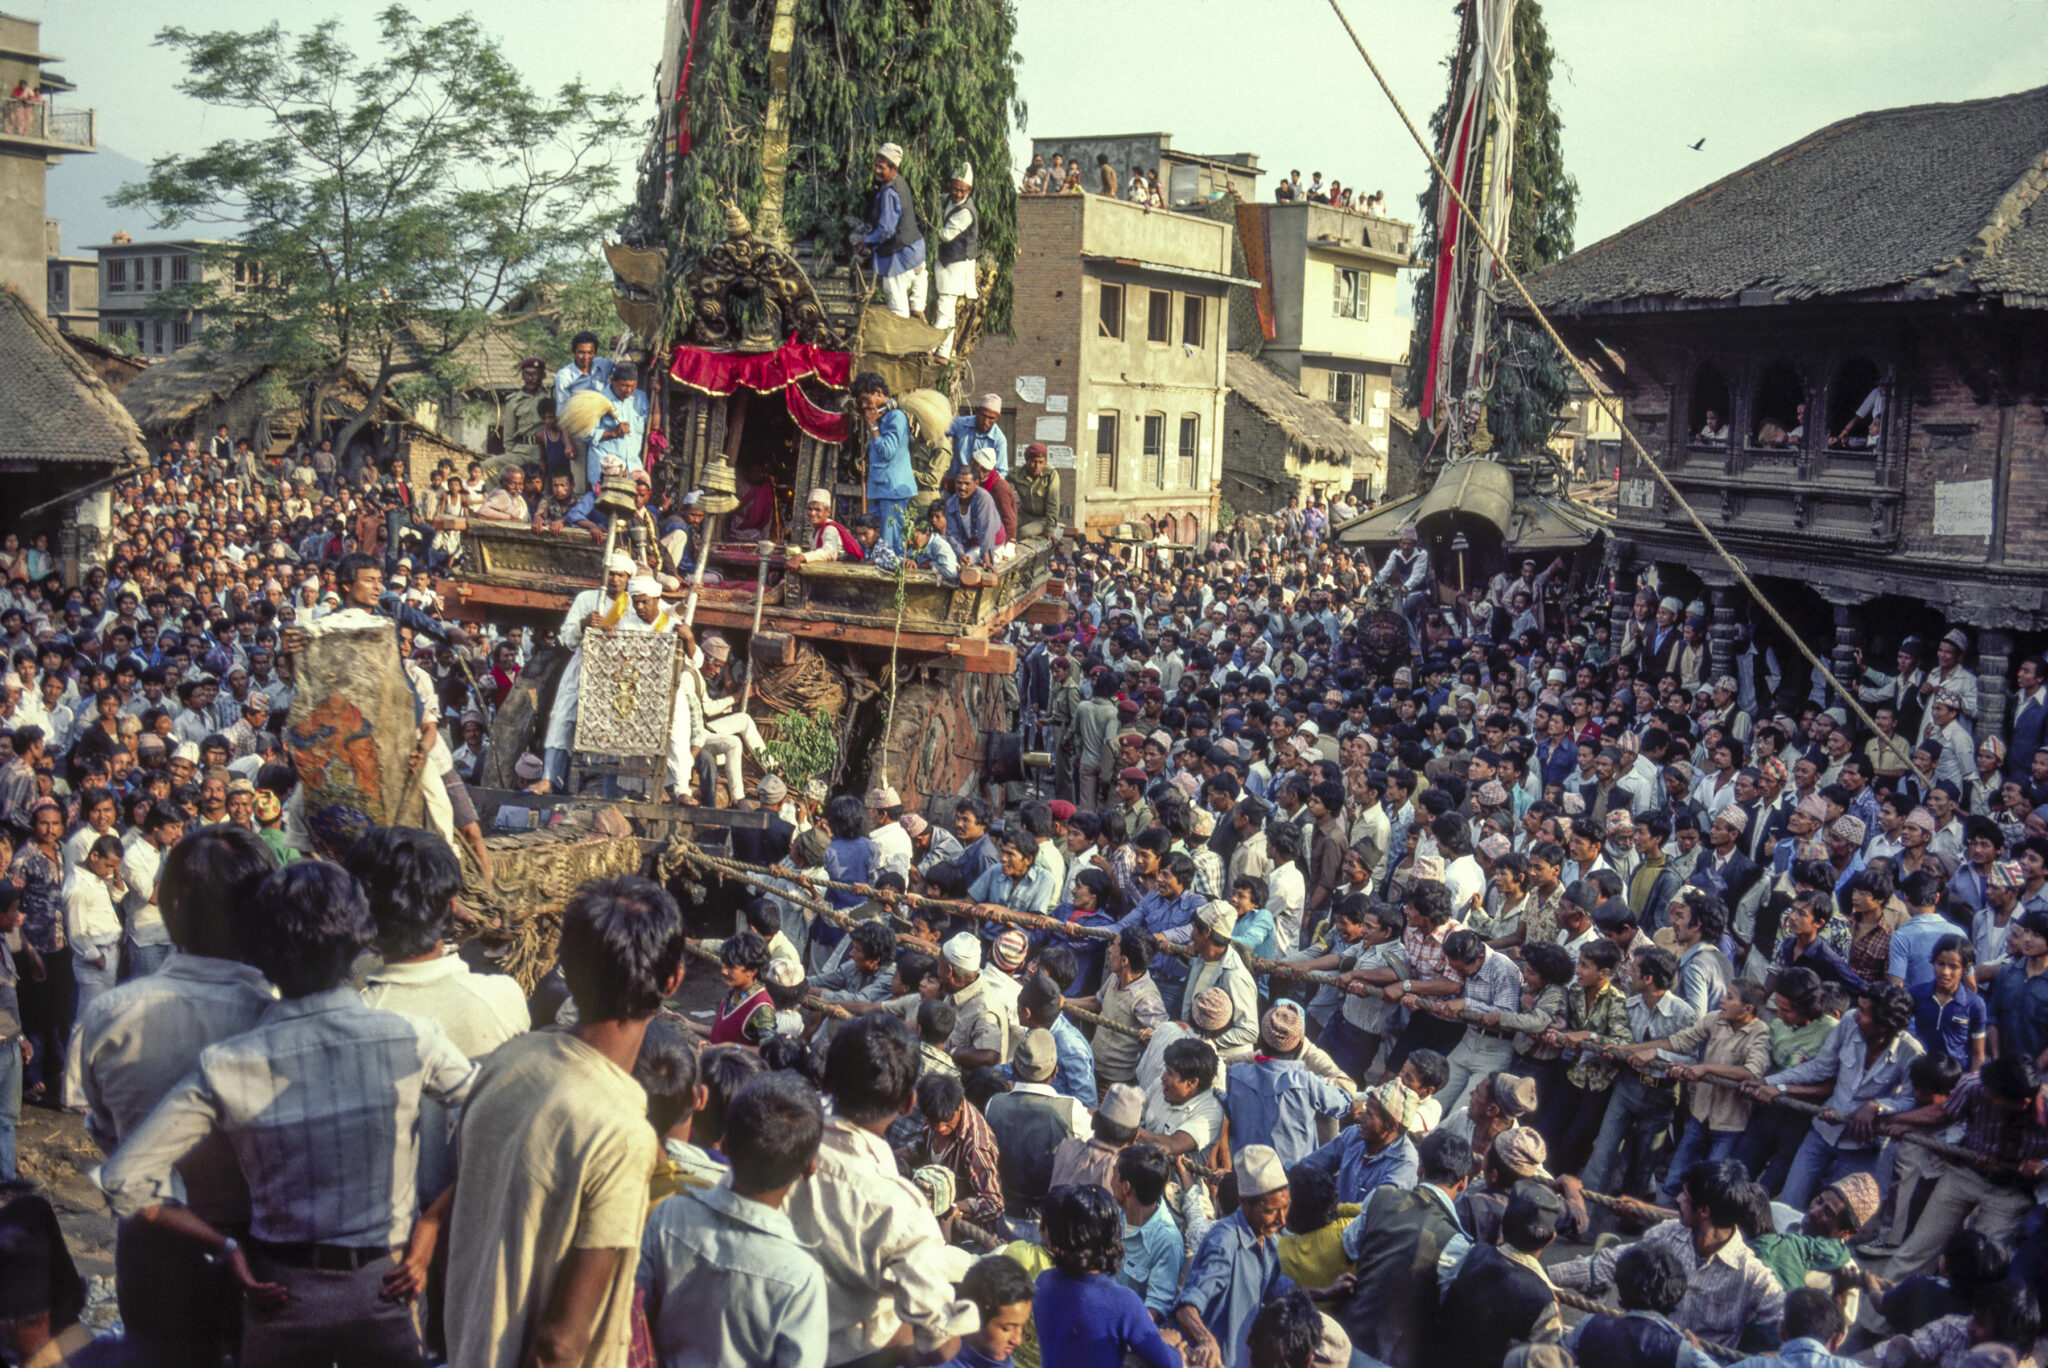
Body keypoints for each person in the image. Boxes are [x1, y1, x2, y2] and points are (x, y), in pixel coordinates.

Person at [100, 861, 478, 1368]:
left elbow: (124, 1180)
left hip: (281, 1294)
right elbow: (501, 1128)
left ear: (255, 951)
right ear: (362, 941)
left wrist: (225, 1244)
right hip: (388, 1287)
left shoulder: (230, 1064)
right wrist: (431, 1222)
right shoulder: (413, 1037)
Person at [443, 875, 687, 1368]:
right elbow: (559, 1346)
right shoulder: (622, 1133)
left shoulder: (506, 1062)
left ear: (566, 970)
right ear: (673, 982)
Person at [784, 1013, 979, 1366]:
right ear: (908, 1104)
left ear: (826, 1083)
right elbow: (939, 1343)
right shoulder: (900, 1208)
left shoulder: (778, 1146)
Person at [637, 1072, 829, 1368]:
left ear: (724, 1146)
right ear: (809, 1167)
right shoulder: (800, 1277)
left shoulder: (669, 1216)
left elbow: (633, 1317)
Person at [1034, 1184, 1182, 1368]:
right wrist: (1172, 1346)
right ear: (1112, 1237)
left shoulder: (1044, 1283)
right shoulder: (1122, 1302)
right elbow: (1167, 1362)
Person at [859, 142, 928, 318]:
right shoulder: (901, 183)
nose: (877, 171)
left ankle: (905, 345)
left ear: (894, 168)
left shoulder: (889, 192)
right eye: (876, 166)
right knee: (916, 309)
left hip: (901, 257)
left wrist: (865, 241)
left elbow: (886, 230)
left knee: (898, 312)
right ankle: (925, 345)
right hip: (917, 253)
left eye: (881, 168)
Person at [852, 372, 915, 553]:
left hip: (893, 490)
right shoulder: (883, 416)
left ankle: (892, 576)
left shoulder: (896, 417)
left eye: (865, 399)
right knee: (868, 533)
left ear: (879, 392)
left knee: (891, 540)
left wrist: (873, 426)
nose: (863, 405)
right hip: (882, 490)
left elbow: (887, 451)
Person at [933, 167, 981, 360]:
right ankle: (943, 353)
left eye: (963, 191)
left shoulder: (966, 213)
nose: (958, 194)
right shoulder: (946, 199)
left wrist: (929, 224)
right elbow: (937, 198)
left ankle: (929, 347)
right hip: (945, 262)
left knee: (945, 307)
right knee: (948, 311)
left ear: (969, 191)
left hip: (956, 265)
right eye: (955, 189)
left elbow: (945, 235)